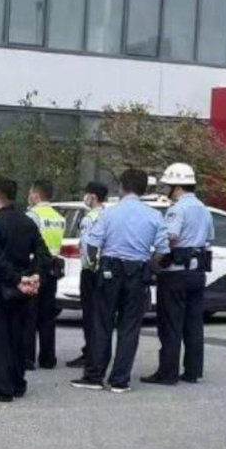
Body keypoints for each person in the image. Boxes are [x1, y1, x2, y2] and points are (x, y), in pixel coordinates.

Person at [70, 169, 168, 394]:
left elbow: (93, 242)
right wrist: (149, 265)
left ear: (122, 186)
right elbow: (163, 249)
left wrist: (95, 264)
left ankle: (95, 376)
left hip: (110, 269)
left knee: (102, 324)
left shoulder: (110, 213)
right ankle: (120, 380)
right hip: (138, 270)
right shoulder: (154, 216)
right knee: (129, 327)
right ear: (144, 189)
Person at [0, 177, 46, 402]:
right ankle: (17, 383)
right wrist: (34, 275)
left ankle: (1, 388)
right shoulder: (27, 221)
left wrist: (16, 279)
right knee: (17, 338)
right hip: (22, 292)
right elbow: (43, 253)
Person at [145, 163, 213, 386]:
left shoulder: (177, 208)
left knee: (170, 325)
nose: (166, 190)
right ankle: (192, 371)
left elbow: (171, 237)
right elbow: (209, 236)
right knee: (193, 325)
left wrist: (155, 258)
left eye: (168, 185)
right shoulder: (203, 208)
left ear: (177, 186)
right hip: (197, 273)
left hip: (175, 274)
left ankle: (168, 373)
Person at [23, 180, 67, 370]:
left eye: (30, 192)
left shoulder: (32, 215)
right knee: (48, 315)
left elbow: (27, 242)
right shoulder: (59, 217)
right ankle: (48, 358)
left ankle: (28, 358)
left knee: (30, 313)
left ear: (35, 194)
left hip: (35, 265)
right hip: (53, 265)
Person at [67, 181, 109, 369]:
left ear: (92, 196)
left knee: (90, 315)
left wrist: (90, 265)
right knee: (100, 315)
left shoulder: (89, 218)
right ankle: (98, 352)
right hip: (106, 270)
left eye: (87, 194)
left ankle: (90, 354)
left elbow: (88, 245)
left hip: (91, 271)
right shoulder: (109, 215)